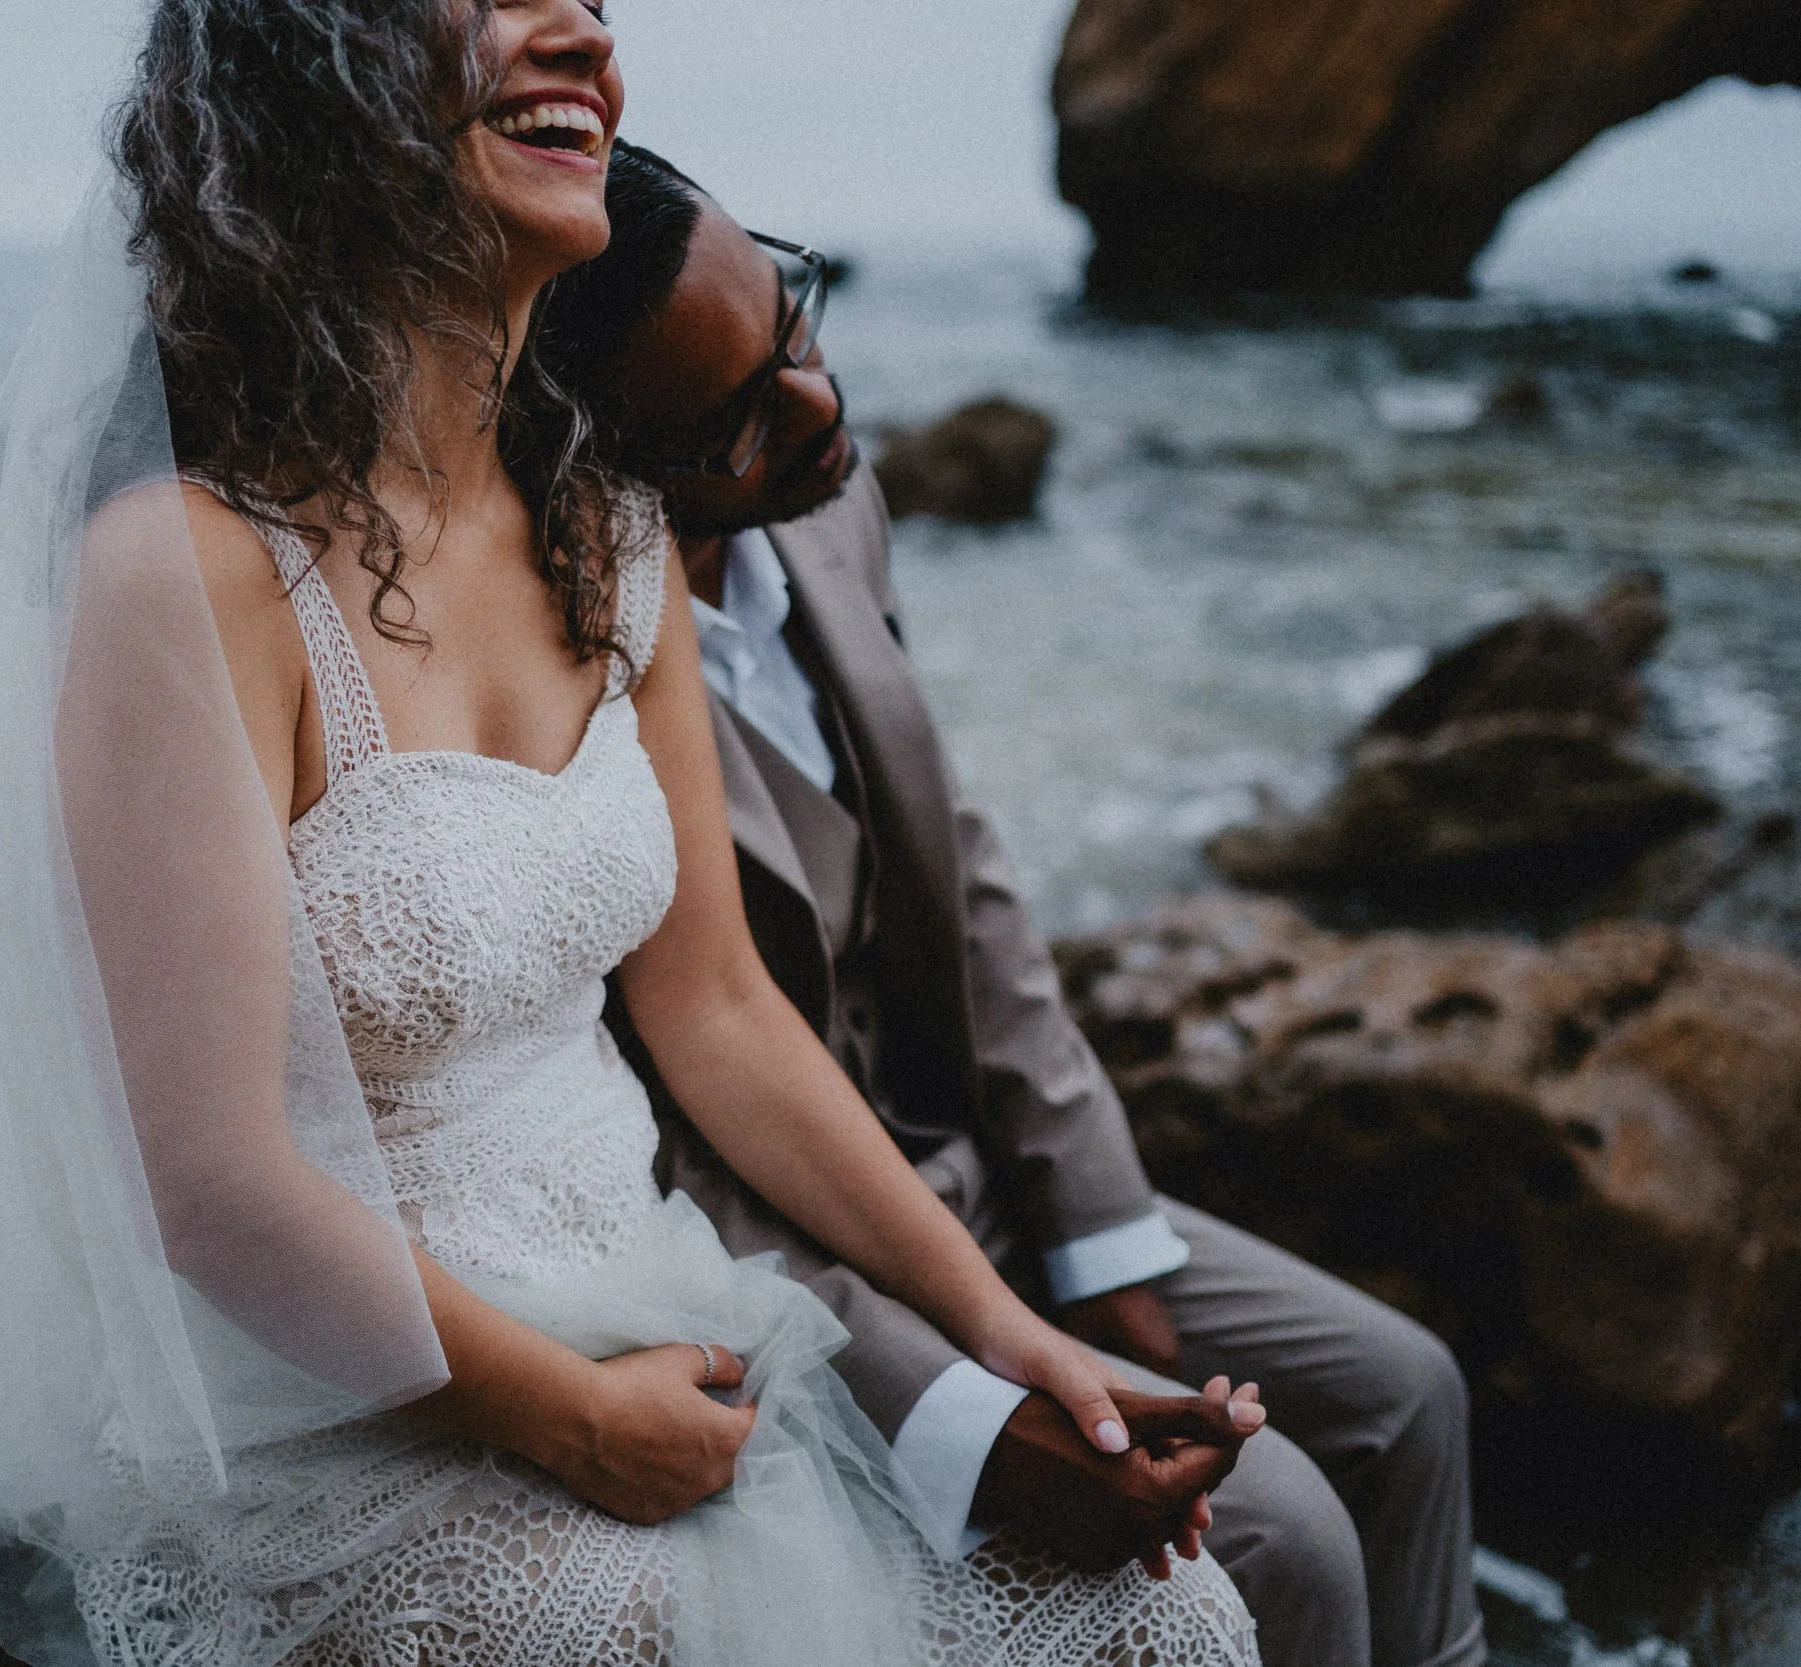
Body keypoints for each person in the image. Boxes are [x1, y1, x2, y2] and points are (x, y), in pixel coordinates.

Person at [0, 4, 1266, 1664]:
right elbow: (215, 1183)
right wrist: (568, 1420)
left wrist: (1006, 1326)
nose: (581, 34)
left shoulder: (609, 532)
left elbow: (724, 1016)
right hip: (354, 1399)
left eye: (590, 2)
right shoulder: (189, 569)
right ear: (311, 90)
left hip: (664, 1310)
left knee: (1175, 1623)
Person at [535, 143, 1486, 1667]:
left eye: (797, 322)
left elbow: (958, 870)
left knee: (1409, 1392)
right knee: (1291, 1535)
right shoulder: (556, 671)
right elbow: (652, 1136)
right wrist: (970, 1400)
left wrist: (1098, 1228)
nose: (823, 407)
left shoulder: (830, 512)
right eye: (736, 420)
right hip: (793, 1262)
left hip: (981, 1170)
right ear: (605, 465)